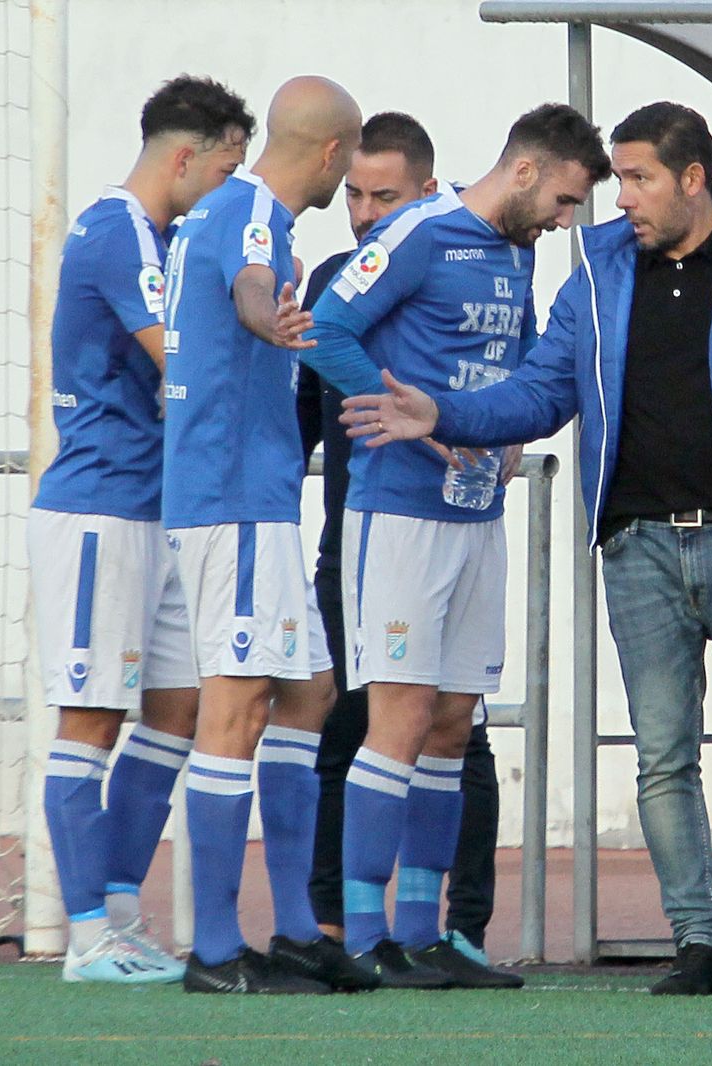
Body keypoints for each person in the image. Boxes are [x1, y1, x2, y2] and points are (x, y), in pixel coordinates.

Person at [339, 101, 712, 997]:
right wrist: (440, 413)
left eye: (638, 179)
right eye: (617, 179)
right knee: (662, 757)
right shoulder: (598, 273)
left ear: (693, 180)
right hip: (635, 548)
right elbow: (537, 393)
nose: (620, 200)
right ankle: (698, 943)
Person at [304, 102, 606, 988]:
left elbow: (505, 364)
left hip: (477, 516)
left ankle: (423, 932)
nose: (564, 219)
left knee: (449, 721)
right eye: (561, 199)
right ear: (524, 171)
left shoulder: (519, 251)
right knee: (395, 718)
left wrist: (506, 434)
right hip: (398, 513)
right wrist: (393, 411)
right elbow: (325, 326)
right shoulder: (419, 233)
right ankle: (364, 939)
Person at [28, 75, 253, 985]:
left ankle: (119, 911)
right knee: (90, 715)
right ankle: (84, 932)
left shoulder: (165, 235)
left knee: (176, 708)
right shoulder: (117, 230)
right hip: (99, 508)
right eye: (229, 168)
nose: (232, 189)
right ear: (186, 156)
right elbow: (184, 362)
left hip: (159, 507)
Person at [161, 75, 371, 995]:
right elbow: (252, 287)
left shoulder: (225, 212)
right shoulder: (252, 211)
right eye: (349, 161)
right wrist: (272, 318)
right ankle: (212, 947)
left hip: (254, 498)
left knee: (308, 691)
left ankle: (291, 929)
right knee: (239, 703)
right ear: (330, 154)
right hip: (235, 499)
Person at [295, 112, 510, 972]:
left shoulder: (468, 259)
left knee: (459, 728)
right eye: (353, 193)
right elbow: (297, 416)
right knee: (351, 726)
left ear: (427, 191)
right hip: (363, 535)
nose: (363, 211)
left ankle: (447, 930)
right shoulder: (335, 285)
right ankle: (344, 928)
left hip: (455, 527)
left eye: (384, 194)